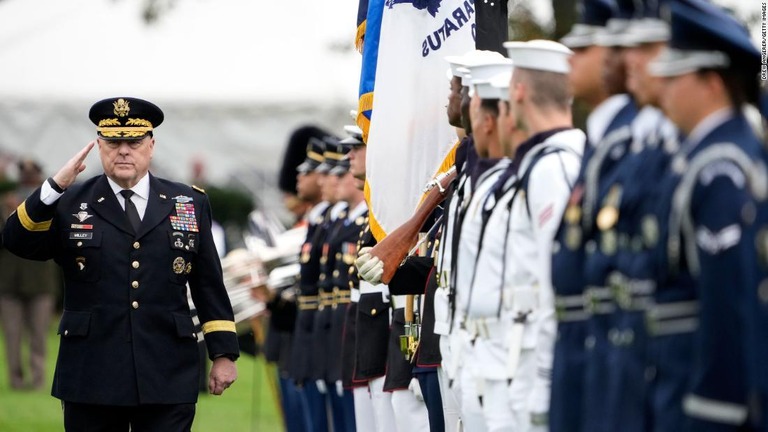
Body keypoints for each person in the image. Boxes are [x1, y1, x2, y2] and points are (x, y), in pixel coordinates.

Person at [1, 97, 239, 431]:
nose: (123, 150)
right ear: (99, 145)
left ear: (151, 145)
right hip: (91, 370)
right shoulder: (71, 201)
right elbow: (15, 240)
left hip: (167, 369)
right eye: (113, 142)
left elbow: (208, 284)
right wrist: (54, 187)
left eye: (134, 141)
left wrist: (224, 353)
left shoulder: (187, 202)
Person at [644, 1, 764, 429]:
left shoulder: (720, 170)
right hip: (679, 385)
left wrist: (717, 411)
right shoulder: (702, 158)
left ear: (712, 82)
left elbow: (728, 302)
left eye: (674, 77)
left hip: (708, 403)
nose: (664, 89)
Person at [0, 159, 61, 391]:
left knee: (38, 336)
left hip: (41, 283)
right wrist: (9, 214)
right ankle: (16, 380)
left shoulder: (50, 205)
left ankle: (37, 380)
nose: (27, 180)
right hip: (9, 283)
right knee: (12, 336)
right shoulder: (5, 203)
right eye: (24, 176)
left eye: (31, 176)